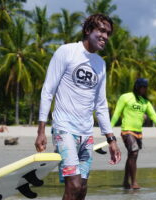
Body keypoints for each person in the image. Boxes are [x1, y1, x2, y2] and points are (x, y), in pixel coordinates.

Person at [34, 14, 121, 200]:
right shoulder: (66, 52)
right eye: (102, 31)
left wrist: (111, 139)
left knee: (82, 188)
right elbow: (48, 91)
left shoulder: (100, 64)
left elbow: (101, 105)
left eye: (108, 33)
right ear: (88, 30)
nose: (105, 36)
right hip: (64, 129)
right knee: (73, 185)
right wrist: (41, 130)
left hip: (86, 133)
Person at [111, 78, 156, 189]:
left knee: (132, 155)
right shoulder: (125, 97)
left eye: (145, 87)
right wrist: (108, 129)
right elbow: (117, 113)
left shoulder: (145, 101)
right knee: (134, 152)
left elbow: (153, 115)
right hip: (127, 130)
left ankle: (125, 181)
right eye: (142, 87)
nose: (144, 89)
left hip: (138, 132)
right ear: (137, 86)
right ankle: (134, 182)